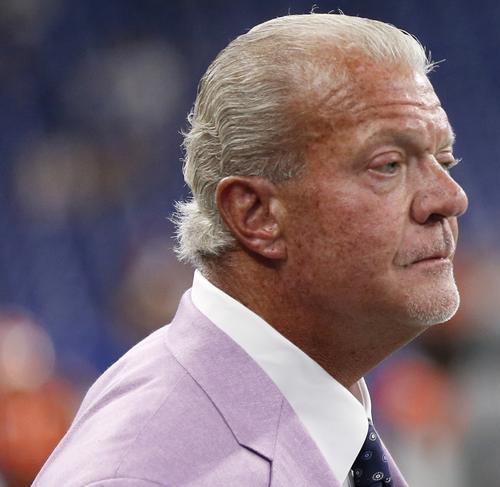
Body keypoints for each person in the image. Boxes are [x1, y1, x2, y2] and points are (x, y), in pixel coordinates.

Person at [34, 12, 468, 487]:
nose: (449, 198)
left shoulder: (319, 409)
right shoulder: (147, 476)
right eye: (388, 165)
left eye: (444, 160)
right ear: (256, 214)